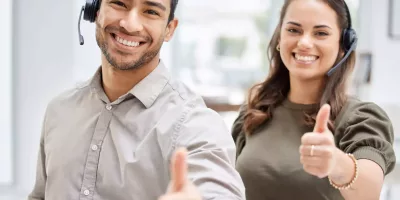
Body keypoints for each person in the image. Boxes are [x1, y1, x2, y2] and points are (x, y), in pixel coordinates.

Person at [28, 0, 245, 199]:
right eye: (119, 3)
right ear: (95, 10)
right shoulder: (60, 110)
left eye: (150, 11)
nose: (130, 25)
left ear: (169, 28)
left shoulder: (194, 124)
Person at [232, 0, 396, 199]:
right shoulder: (254, 113)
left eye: (321, 33)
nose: (304, 43)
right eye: (293, 30)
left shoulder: (361, 118)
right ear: (279, 38)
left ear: (343, 45)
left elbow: (368, 192)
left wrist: (336, 163)